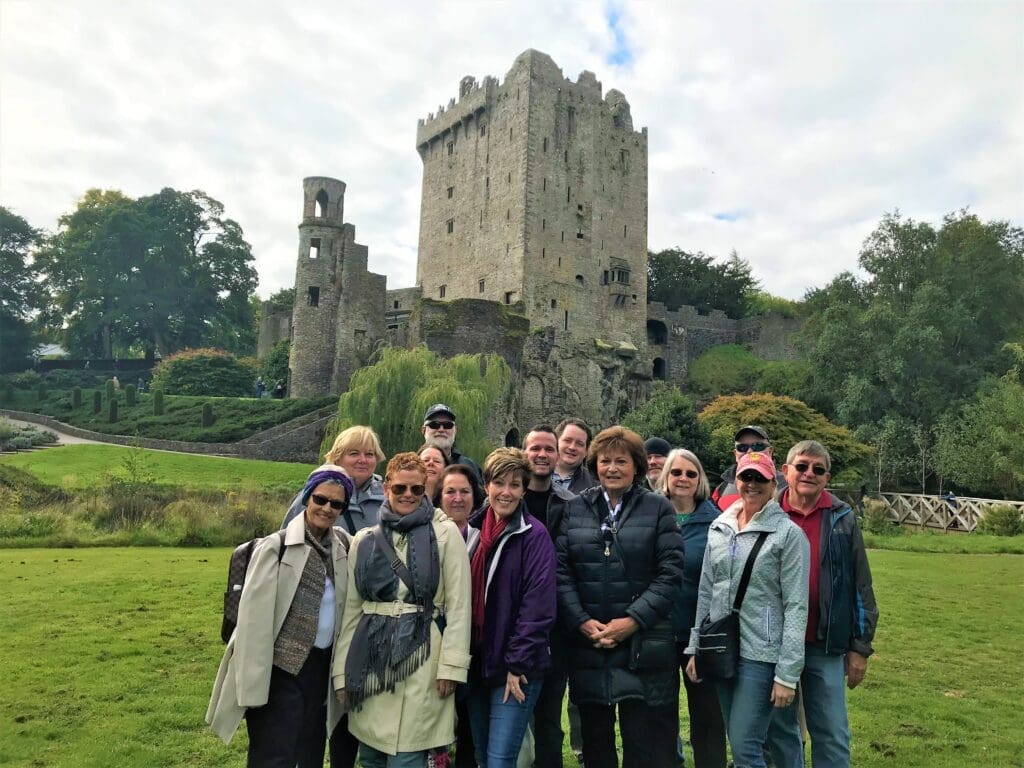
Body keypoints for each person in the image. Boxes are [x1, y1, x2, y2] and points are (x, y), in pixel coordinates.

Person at [207, 467, 358, 768]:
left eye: (336, 504)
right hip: (278, 669)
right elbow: (253, 621)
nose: (327, 508)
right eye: (320, 499)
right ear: (307, 498)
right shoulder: (275, 547)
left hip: (320, 668)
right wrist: (252, 685)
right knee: (273, 754)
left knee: (311, 750)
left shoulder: (343, 546)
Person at [557, 426, 685, 768]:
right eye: (604, 461)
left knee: (644, 744)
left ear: (637, 467)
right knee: (597, 744)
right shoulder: (576, 509)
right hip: (590, 643)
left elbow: (670, 575)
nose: (612, 468)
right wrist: (582, 622)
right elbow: (562, 572)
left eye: (621, 461)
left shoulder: (658, 508)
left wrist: (632, 621)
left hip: (641, 644)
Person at [334, 452, 472, 768]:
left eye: (416, 489)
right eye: (400, 489)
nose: (408, 495)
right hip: (371, 662)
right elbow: (353, 610)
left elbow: (460, 606)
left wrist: (451, 667)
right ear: (387, 489)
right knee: (371, 757)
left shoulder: (445, 534)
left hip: (422, 660)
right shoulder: (365, 540)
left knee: (409, 755)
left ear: (426, 490)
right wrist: (342, 673)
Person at [685, 450, 809, 768]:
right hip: (723, 647)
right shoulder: (720, 526)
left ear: (773, 483)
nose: (752, 484)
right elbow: (706, 591)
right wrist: (696, 646)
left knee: (745, 745)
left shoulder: (789, 535)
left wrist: (787, 674)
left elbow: (796, 605)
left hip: (762, 653)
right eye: (746, 477)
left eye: (760, 478)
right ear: (736, 480)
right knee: (738, 739)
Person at [767, 441, 879, 768]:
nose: (809, 474)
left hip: (825, 642)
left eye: (818, 469)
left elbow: (861, 585)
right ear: (785, 471)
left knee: (831, 731)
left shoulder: (842, 517)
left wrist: (860, 646)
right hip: (774, 642)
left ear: (826, 477)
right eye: (801, 466)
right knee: (781, 731)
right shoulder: (768, 512)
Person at [466, 448, 558, 767]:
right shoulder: (473, 531)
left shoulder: (534, 536)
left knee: (500, 759)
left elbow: (538, 607)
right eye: (499, 483)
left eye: (515, 485)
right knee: (481, 756)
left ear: (523, 490)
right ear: (486, 485)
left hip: (514, 667)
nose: (506, 492)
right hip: (477, 661)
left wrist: (517, 664)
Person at [655, 449, 727, 768]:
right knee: (659, 715)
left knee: (708, 718)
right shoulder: (651, 515)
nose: (683, 478)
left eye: (690, 473)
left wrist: (701, 641)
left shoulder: (717, 523)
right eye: (676, 472)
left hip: (700, 635)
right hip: (657, 632)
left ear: (700, 480)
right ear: (665, 478)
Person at [521, 427, 575, 768]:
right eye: (535, 448)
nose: (542, 454)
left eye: (548, 449)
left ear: (557, 456)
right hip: (514, 620)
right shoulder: (505, 499)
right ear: (524, 452)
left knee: (550, 715)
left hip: (557, 622)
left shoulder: (573, 505)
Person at [283, 426, 387, 532]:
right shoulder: (314, 496)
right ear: (337, 458)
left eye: (369, 454)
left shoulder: (388, 497)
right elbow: (288, 539)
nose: (363, 460)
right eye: (354, 453)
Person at [711, 426, 788, 511]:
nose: (750, 451)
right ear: (735, 454)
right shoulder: (722, 488)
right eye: (742, 447)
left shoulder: (787, 485)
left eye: (758, 446)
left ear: (770, 452)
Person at [422, 403, 483, 482]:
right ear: (423, 430)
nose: (441, 429)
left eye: (448, 425)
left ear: (455, 431)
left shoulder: (470, 467)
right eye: (434, 425)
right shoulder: (411, 466)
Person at [553, 418, 596, 494]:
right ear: (555, 442)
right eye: (567, 440)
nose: (572, 447)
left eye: (579, 444)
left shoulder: (596, 486)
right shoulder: (533, 476)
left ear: (586, 451)